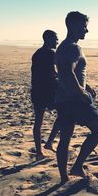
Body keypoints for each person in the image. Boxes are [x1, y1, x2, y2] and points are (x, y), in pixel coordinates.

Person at [55, 11, 98, 183]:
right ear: (74, 26)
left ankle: (64, 177)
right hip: (75, 101)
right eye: (84, 27)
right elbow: (68, 72)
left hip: (62, 100)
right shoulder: (73, 47)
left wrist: (85, 85)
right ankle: (77, 166)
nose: (87, 31)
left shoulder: (62, 46)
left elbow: (65, 73)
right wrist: (81, 92)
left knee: (65, 138)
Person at [31, 30, 60, 160]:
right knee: (63, 114)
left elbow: (36, 73)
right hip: (48, 91)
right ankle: (49, 143)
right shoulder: (51, 53)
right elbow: (55, 73)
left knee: (38, 122)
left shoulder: (37, 53)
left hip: (37, 90)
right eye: (56, 39)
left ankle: (39, 152)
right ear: (48, 39)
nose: (57, 42)